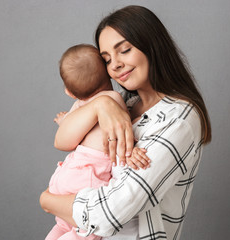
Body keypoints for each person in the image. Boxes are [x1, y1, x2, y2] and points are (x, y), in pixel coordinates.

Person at [40, 5, 211, 240]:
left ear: (152, 46)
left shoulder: (179, 119)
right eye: (107, 59)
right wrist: (102, 105)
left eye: (125, 50)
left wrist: (48, 200)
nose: (115, 65)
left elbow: (108, 214)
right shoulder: (125, 104)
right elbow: (64, 140)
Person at [45, 44, 150, 240]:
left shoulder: (79, 105)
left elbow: (69, 135)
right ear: (108, 73)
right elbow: (122, 130)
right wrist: (132, 148)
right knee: (85, 233)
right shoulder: (112, 99)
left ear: (70, 92)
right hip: (88, 178)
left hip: (66, 175)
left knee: (61, 228)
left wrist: (64, 121)